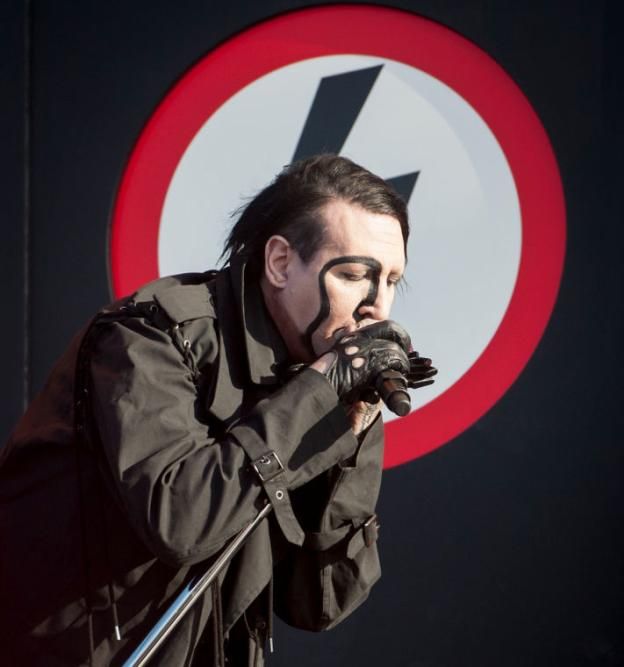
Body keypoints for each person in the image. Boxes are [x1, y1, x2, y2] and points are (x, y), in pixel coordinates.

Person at [0, 154, 436, 666]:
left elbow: (321, 603)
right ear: (280, 262)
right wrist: (318, 391)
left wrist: (351, 432)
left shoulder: (323, 379)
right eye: (356, 274)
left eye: (392, 281)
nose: (377, 305)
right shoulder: (153, 337)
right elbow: (181, 524)